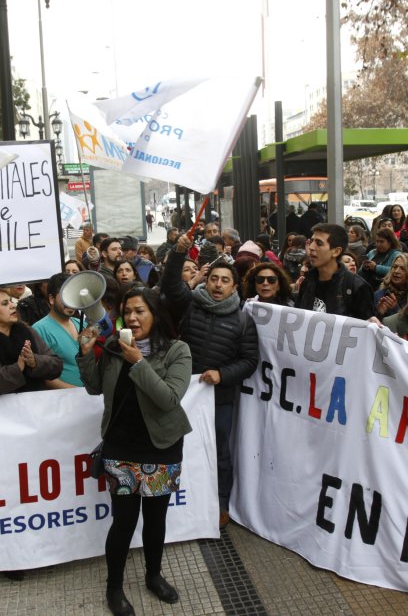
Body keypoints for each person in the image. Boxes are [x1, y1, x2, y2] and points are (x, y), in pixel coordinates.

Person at [76, 287, 192, 616]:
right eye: (127, 311)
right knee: (124, 521)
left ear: (155, 314)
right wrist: (86, 353)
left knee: (155, 520)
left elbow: (169, 398)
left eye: (140, 311)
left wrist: (138, 362)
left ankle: (153, 575)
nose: (132, 317)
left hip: (161, 447)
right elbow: (94, 386)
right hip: (121, 447)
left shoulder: (176, 350)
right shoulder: (113, 347)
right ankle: (114, 587)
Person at [164, 236, 258, 525]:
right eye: (214, 278)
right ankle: (175, 502)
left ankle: (220, 504)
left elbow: (250, 361)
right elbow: (169, 286)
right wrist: (178, 253)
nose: (218, 284)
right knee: (177, 448)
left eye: (225, 280)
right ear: (206, 280)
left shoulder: (243, 321)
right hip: (183, 394)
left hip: (220, 399)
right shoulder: (190, 304)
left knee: (219, 453)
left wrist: (222, 375)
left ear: (234, 286)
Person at [0, 287, 62, 398]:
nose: (13, 305)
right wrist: (17, 368)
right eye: (5, 303)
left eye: (11, 301)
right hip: (0, 412)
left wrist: (34, 361)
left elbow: (57, 366)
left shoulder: (28, 331)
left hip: (36, 406)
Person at [295, 223, 373, 319]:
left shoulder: (357, 287)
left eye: (319, 243)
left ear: (336, 251)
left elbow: (366, 327)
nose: (311, 247)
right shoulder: (307, 281)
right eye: (311, 241)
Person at [33, 274, 85, 388]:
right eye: (66, 296)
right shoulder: (39, 330)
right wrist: (77, 392)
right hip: (63, 400)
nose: (71, 301)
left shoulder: (82, 323)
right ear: (51, 299)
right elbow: (45, 377)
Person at [373, 253, 408, 319]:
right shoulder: (379, 296)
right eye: (394, 267)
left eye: (403, 269)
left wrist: (395, 309)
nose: (396, 271)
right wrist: (379, 313)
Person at [358, 228, 403, 293]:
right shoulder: (372, 252)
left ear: (389, 242)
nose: (378, 244)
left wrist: (376, 267)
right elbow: (360, 271)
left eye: (382, 242)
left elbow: (394, 271)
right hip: (366, 289)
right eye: (377, 241)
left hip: (385, 290)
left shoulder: (396, 255)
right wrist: (364, 267)